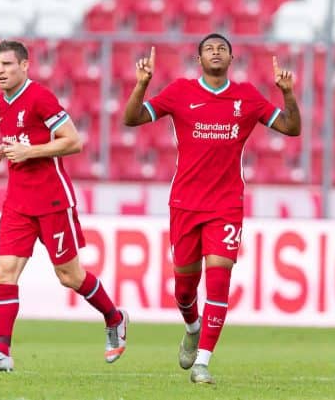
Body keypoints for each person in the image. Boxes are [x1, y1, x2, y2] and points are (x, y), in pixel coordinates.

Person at [123, 33, 301, 384]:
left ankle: (203, 361)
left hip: (226, 204)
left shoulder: (247, 96)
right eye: (209, 48)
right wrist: (141, 84)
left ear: (231, 60)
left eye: (222, 49)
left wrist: (288, 93)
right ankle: (192, 327)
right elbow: (132, 118)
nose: (216, 52)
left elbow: (291, 128)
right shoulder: (179, 91)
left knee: (219, 281)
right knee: (185, 290)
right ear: (198, 59)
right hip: (185, 203)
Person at [0, 40, 128, 372]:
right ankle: (1, 352)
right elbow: (21, 138)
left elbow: (73, 141)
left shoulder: (40, 97)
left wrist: (29, 153)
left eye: (8, 65)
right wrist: (1, 150)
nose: (1, 71)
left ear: (25, 65)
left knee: (69, 276)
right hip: (17, 202)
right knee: (4, 272)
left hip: (52, 200)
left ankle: (114, 317)